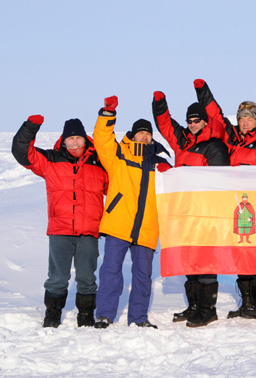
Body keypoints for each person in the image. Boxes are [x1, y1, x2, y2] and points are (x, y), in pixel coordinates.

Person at [194, 79, 256, 320]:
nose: (244, 122)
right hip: (236, 208)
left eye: (249, 118)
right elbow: (216, 115)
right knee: (242, 254)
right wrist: (202, 91)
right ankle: (247, 303)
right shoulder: (234, 141)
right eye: (241, 118)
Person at [12, 115, 108, 328]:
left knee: (86, 277)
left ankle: (85, 317)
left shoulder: (100, 163)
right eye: (70, 138)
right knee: (57, 277)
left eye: (78, 138)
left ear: (86, 140)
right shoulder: (51, 160)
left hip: (89, 231)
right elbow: (21, 152)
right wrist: (30, 127)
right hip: (60, 230)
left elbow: (117, 190)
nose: (74, 142)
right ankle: (52, 316)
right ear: (63, 140)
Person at [92, 96, 171, 330]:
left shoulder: (160, 162)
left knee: (143, 276)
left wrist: (170, 172)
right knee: (110, 271)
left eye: (148, 133)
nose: (145, 136)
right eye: (141, 133)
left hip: (147, 226)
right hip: (119, 223)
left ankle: (138, 317)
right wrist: (107, 114)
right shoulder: (118, 156)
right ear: (133, 135)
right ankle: (104, 314)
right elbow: (102, 140)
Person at [152, 90, 230, 327]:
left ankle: (208, 309)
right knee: (189, 260)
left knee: (205, 260)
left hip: (206, 212)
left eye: (197, 120)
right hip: (185, 211)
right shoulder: (183, 142)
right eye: (190, 121)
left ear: (206, 121)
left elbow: (219, 180)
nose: (193, 124)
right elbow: (165, 124)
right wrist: (159, 103)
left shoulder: (215, 145)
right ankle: (194, 305)